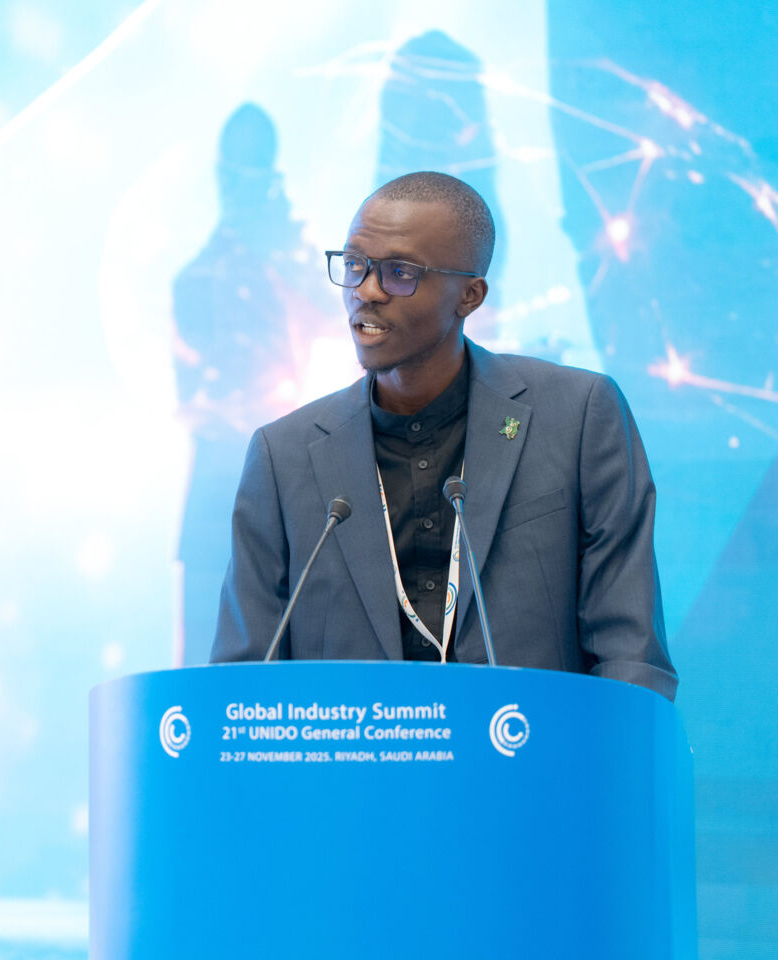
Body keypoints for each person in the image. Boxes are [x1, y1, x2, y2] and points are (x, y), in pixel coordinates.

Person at [209, 171, 677, 701]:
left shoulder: (577, 417)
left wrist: (608, 752)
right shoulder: (283, 456)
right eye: (355, 265)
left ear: (470, 296)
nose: (366, 292)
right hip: (355, 753)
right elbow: (240, 685)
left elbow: (630, 654)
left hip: (533, 749)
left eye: (400, 273)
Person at [173, 103, 336, 665]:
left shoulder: (269, 267)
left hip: (267, 491)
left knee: (256, 674)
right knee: (219, 671)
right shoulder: (209, 277)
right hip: (240, 493)